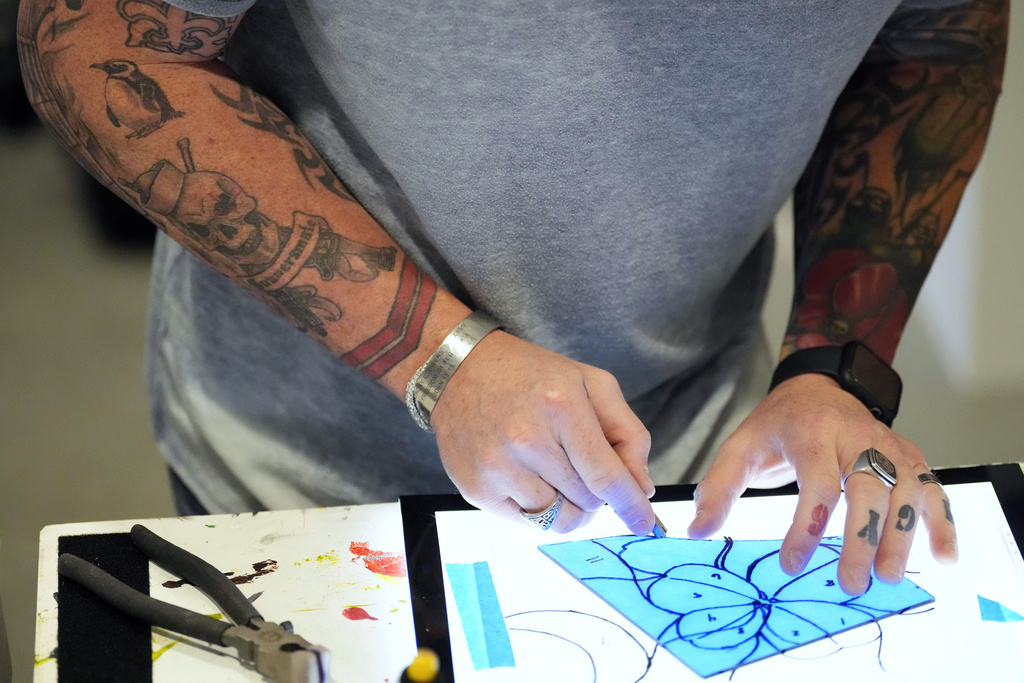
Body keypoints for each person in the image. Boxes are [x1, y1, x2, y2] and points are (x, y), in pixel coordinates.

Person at [17, 0, 1007, 596]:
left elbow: (936, 40)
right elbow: (96, 40)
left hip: (690, 455)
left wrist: (833, 369)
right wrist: (437, 358)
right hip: (307, 462)